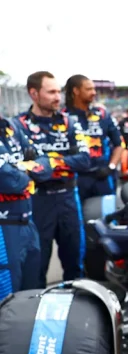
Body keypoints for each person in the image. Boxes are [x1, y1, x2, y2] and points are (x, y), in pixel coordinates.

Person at [14, 71, 91, 286]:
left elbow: (85, 160)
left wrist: (49, 162)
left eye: (59, 92)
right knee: (36, 266)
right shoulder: (18, 126)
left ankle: (76, 304)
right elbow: (24, 168)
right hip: (37, 200)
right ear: (34, 94)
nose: (58, 97)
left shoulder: (70, 122)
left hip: (68, 198)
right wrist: (63, 161)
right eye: (51, 92)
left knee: (75, 263)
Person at [0, 87, 52, 298]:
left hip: (28, 224)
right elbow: (9, 181)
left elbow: (45, 163)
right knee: (7, 299)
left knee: (32, 294)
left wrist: (22, 168)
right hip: (4, 228)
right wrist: (28, 169)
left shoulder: (12, 126)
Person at [64, 75, 124, 202]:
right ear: (76, 91)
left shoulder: (102, 114)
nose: (94, 93)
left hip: (102, 177)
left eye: (94, 89)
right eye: (89, 89)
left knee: (108, 212)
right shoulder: (63, 117)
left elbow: (119, 144)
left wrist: (111, 167)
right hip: (76, 179)